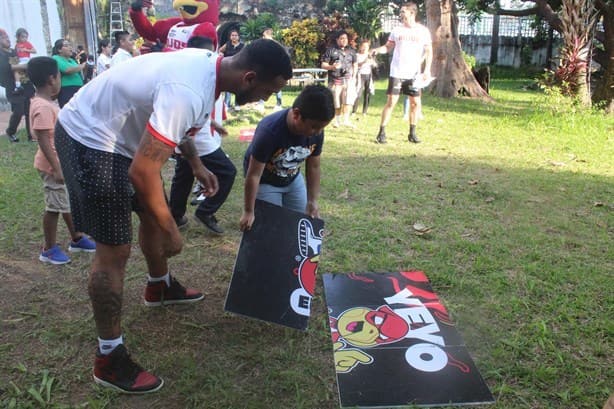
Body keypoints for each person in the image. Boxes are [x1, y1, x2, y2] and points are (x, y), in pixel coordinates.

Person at [54, 39, 292, 394]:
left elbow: (174, 124)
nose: (263, 99)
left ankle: (159, 287)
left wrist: (195, 163)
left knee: (153, 211)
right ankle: (108, 358)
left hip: (124, 143)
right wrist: (172, 230)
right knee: (115, 250)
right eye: (266, 91)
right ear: (249, 77)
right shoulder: (188, 88)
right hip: (88, 137)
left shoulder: (211, 68)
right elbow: (143, 171)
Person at [27, 56, 96, 265]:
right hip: (52, 166)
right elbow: (42, 138)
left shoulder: (45, 102)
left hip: (59, 164)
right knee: (54, 207)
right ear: (52, 79)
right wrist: (56, 168)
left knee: (65, 202)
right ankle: (48, 249)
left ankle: (76, 238)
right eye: (58, 75)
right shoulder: (43, 107)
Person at [240, 85, 335, 231]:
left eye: (322, 128)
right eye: (314, 127)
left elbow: (314, 166)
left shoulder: (316, 133)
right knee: (269, 227)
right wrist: (248, 211)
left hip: (292, 178)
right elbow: (253, 174)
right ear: (296, 115)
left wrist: (312, 200)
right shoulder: (270, 131)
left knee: (297, 224)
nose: (318, 132)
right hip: (265, 182)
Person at [169, 36, 237, 234]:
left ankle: (175, 214)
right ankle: (205, 211)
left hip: (190, 133)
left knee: (184, 174)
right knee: (227, 172)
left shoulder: (194, 71)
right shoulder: (201, 74)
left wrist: (214, 123)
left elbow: (198, 109)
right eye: (210, 52)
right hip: (195, 137)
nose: (213, 56)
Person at [372, 1, 432, 144]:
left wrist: (427, 69)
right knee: (391, 101)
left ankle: (412, 132)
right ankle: (381, 132)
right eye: (401, 12)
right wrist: (377, 50)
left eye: (403, 11)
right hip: (397, 71)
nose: (401, 14)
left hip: (414, 74)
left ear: (412, 13)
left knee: (415, 103)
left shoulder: (423, 31)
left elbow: (429, 51)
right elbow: (388, 47)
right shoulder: (397, 30)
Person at [0, 28, 35, 142]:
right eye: (5, 38)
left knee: (29, 109)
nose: (8, 40)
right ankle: (10, 131)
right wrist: (26, 66)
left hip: (24, 81)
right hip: (11, 85)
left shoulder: (12, 51)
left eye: (8, 38)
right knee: (19, 110)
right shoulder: (1, 54)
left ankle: (31, 135)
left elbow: (16, 66)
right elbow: (10, 67)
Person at [321, 30, 357, 128]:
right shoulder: (331, 50)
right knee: (336, 100)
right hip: (335, 80)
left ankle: (346, 120)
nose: (344, 40)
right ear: (337, 40)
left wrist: (354, 76)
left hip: (348, 79)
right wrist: (332, 67)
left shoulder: (351, 51)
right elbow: (323, 65)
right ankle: (337, 120)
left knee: (348, 100)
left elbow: (355, 64)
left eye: (345, 38)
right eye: (341, 38)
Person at [51, 39, 85, 108]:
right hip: (67, 89)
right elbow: (67, 70)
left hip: (79, 88)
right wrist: (82, 66)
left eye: (70, 45)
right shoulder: (56, 58)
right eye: (66, 46)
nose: (70, 48)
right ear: (59, 50)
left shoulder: (72, 60)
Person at [218, 29, 244, 109]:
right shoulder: (228, 44)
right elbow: (220, 50)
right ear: (230, 37)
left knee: (238, 87)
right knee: (228, 87)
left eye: (236, 35)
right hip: (228, 68)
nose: (234, 37)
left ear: (238, 37)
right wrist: (221, 54)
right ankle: (227, 104)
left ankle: (237, 104)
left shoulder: (242, 46)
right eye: (232, 35)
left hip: (239, 69)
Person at [352, 39, 377, 117]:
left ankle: (364, 111)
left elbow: (375, 65)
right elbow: (356, 65)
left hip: (368, 75)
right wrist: (364, 61)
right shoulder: (357, 55)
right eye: (364, 46)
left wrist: (372, 60)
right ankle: (354, 111)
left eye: (367, 46)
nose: (365, 48)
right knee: (358, 93)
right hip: (360, 75)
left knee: (367, 93)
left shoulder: (370, 55)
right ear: (360, 47)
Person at [262, 28, 283, 110]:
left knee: (277, 86)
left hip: (274, 69)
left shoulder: (275, 45)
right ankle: (261, 103)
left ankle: (279, 104)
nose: (263, 38)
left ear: (268, 35)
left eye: (264, 36)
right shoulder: (264, 45)